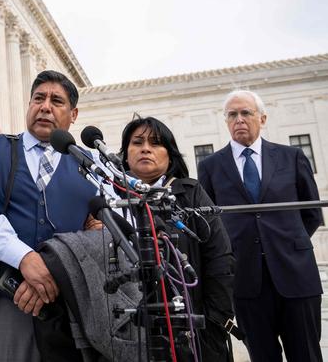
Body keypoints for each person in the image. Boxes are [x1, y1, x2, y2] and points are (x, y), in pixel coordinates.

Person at [0, 70, 98, 361]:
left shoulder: (91, 164)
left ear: (74, 114)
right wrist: (24, 257)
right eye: (38, 98)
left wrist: (56, 271)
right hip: (7, 298)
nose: (45, 106)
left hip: (71, 303)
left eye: (56, 100)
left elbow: (106, 228)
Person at [198, 90, 323, 362]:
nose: (239, 119)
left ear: (262, 118)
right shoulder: (210, 166)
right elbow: (210, 225)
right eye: (232, 115)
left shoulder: (292, 157)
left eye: (246, 113)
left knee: (307, 354)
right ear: (226, 121)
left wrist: (285, 243)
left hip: (297, 276)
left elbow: (312, 213)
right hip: (245, 281)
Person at [118, 116, 235, 361]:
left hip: (190, 331)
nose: (145, 148)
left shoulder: (190, 194)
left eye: (156, 143)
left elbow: (220, 259)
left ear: (170, 155)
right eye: (137, 142)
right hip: (129, 331)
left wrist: (213, 322)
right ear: (125, 154)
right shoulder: (109, 198)